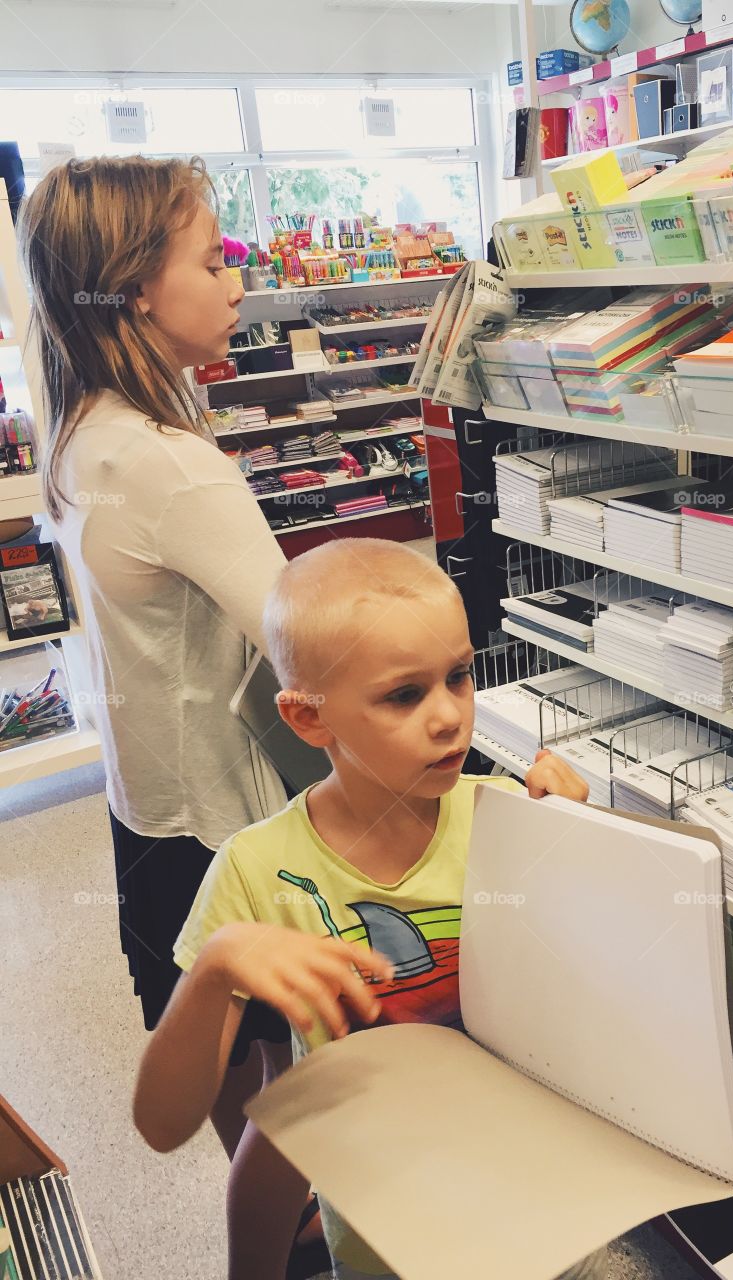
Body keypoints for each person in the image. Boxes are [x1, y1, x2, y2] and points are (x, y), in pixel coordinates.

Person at [133, 538, 607, 1280]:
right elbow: (162, 1124)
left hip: (533, 1194)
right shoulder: (260, 871)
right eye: (404, 694)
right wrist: (216, 970)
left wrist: (582, 849)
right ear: (309, 719)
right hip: (384, 1228)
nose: (451, 717)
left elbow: (594, 1001)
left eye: (460, 676)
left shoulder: (514, 818)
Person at [17, 157, 310, 1265]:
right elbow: (304, 642)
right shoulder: (173, 464)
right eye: (212, 255)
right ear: (138, 284)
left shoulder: (81, 430)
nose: (236, 277)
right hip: (228, 823)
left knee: (234, 1072)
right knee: (286, 1075)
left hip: (145, 809)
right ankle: (283, 1241)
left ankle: (287, 1229)